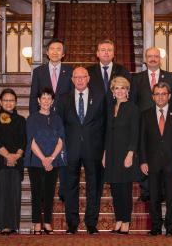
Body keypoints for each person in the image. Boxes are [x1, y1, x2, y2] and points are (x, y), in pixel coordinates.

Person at [58, 67, 106, 235]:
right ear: (72, 79)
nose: (79, 80)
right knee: (70, 187)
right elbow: (60, 126)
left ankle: (91, 223)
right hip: (71, 149)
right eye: (76, 77)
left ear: (88, 78)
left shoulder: (100, 97)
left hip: (94, 149)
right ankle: (72, 223)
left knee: (94, 187)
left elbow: (104, 125)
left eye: (83, 77)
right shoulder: (63, 99)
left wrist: (105, 150)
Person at [139, 82, 172, 236]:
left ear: (169, 96)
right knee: (153, 197)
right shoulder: (145, 115)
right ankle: (155, 227)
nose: (160, 97)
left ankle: (170, 228)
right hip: (152, 164)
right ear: (153, 97)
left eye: (163, 94)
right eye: (157, 94)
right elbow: (142, 140)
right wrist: (143, 161)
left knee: (171, 197)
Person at [131, 46, 172, 202]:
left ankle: (164, 192)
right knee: (144, 155)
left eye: (156, 56)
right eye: (149, 56)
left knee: (165, 155)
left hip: (165, 123)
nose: (153, 59)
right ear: (145, 59)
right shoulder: (137, 78)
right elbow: (133, 103)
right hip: (144, 124)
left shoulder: (171, 78)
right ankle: (147, 191)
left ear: (160, 59)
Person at [29, 38, 73, 201]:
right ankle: (43, 190)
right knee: (45, 151)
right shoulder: (39, 72)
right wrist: (35, 119)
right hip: (43, 119)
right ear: (47, 52)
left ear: (63, 54)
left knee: (61, 153)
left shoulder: (69, 71)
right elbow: (34, 96)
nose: (55, 52)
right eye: (52, 49)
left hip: (63, 120)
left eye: (58, 49)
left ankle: (62, 189)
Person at [24, 88, 67, 235]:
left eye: (49, 98)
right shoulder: (32, 118)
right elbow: (31, 141)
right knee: (36, 192)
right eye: (43, 98)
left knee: (49, 192)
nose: (46, 101)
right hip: (36, 161)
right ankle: (36, 223)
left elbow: (61, 140)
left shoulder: (57, 118)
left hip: (53, 161)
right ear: (38, 100)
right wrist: (43, 159)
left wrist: (52, 158)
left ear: (53, 101)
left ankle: (47, 222)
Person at [0, 88, 26, 235]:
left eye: (12, 100)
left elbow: (24, 142)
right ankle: (1, 224)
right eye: (6, 100)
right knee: (0, 193)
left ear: (15, 102)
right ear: (0, 102)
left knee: (12, 194)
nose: (9, 103)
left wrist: (15, 156)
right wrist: (8, 156)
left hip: (16, 163)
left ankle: (12, 224)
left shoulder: (21, 120)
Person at [102, 76, 140, 235]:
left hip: (125, 154)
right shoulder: (110, 107)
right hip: (111, 154)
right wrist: (104, 153)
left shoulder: (133, 108)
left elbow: (135, 133)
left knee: (125, 190)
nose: (119, 91)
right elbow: (107, 133)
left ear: (127, 91)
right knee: (115, 189)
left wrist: (130, 154)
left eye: (122, 88)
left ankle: (126, 221)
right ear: (112, 91)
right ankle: (118, 219)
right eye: (116, 88)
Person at [87, 39, 132, 106]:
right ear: (97, 54)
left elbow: (129, 92)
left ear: (113, 54)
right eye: (103, 50)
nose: (106, 52)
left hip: (116, 110)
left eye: (109, 50)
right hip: (95, 112)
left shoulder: (122, 71)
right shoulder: (88, 72)